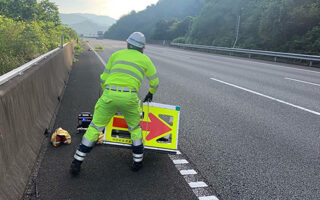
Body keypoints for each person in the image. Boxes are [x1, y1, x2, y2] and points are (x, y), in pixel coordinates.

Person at [70, 32, 159, 175]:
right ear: (142, 48)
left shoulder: (116, 55)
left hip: (109, 95)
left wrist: (107, 93)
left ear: (128, 44)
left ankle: (76, 162)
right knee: (134, 128)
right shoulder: (145, 60)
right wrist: (150, 93)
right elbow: (155, 82)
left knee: (95, 127)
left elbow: (103, 78)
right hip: (129, 97)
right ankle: (137, 163)